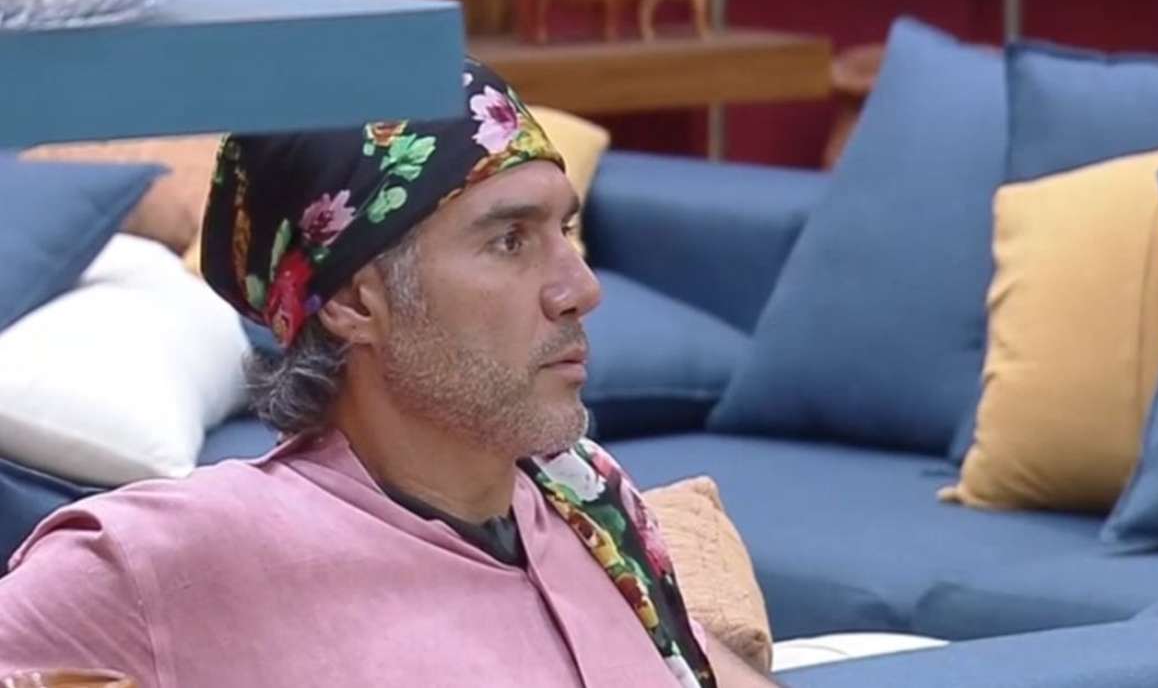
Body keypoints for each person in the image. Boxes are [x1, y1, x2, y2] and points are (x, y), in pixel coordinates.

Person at [0, 60, 777, 687]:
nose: (581, 288)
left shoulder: (587, 498)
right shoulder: (159, 562)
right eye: (509, 241)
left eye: (563, 230)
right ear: (352, 301)